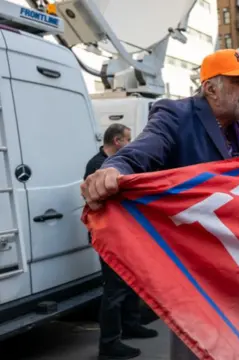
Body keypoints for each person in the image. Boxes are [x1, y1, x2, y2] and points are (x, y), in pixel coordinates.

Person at [81, 49, 239, 359]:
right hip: (194, 272)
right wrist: (113, 170)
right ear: (211, 88)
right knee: (197, 349)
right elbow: (142, 150)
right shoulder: (176, 115)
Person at [85, 124, 158, 360]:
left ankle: (131, 325)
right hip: (110, 237)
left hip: (125, 235)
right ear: (117, 141)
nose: (131, 144)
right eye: (128, 139)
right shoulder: (99, 167)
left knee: (129, 283)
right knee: (114, 290)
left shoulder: (114, 164)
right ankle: (109, 345)